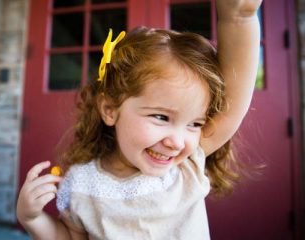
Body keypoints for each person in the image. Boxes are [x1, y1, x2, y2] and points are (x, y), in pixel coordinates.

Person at [16, 0, 262, 239]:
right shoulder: (82, 183)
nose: (177, 142)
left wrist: (240, 17)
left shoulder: (185, 167)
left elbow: (233, 103)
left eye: (194, 124)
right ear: (110, 110)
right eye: (161, 117)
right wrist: (33, 219)